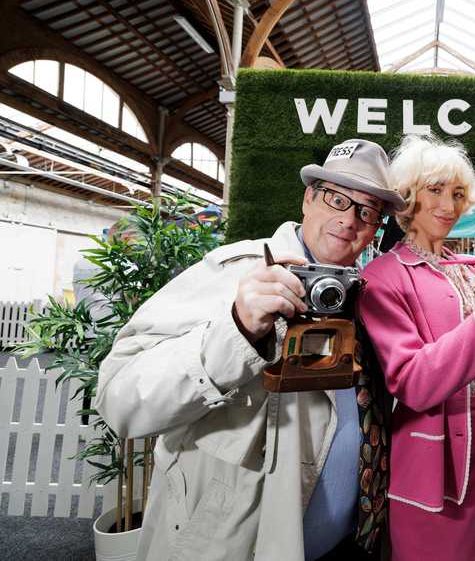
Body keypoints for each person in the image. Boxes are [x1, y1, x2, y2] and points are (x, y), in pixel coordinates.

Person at [95, 139, 404, 560]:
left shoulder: (362, 295)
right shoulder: (237, 274)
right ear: (308, 198)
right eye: (337, 199)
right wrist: (237, 330)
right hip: (240, 546)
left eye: (367, 212)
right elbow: (120, 401)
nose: (349, 220)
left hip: (348, 542)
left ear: (375, 229)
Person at [358, 134, 475, 561]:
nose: (448, 204)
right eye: (435, 190)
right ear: (407, 197)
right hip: (429, 460)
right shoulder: (385, 277)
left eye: (457, 193)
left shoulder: (473, 269)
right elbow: (412, 383)